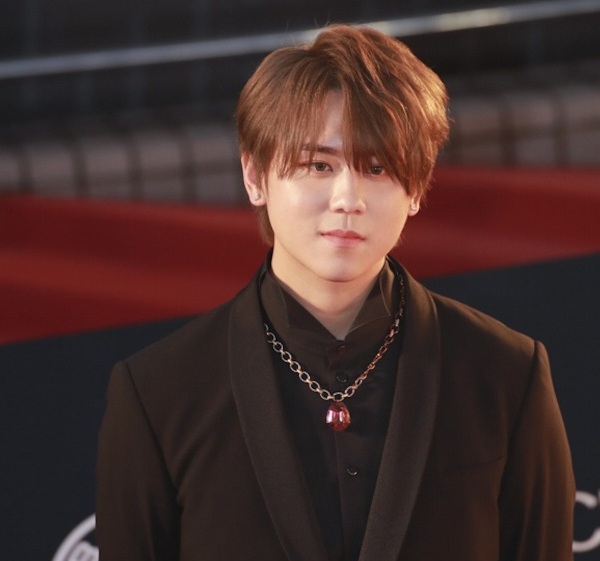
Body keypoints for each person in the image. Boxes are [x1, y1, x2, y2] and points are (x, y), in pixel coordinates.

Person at [96, 24, 575, 561]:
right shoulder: (157, 395)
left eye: (377, 167)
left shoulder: (506, 373)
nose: (349, 198)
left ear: (417, 187)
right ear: (255, 176)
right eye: (319, 165)